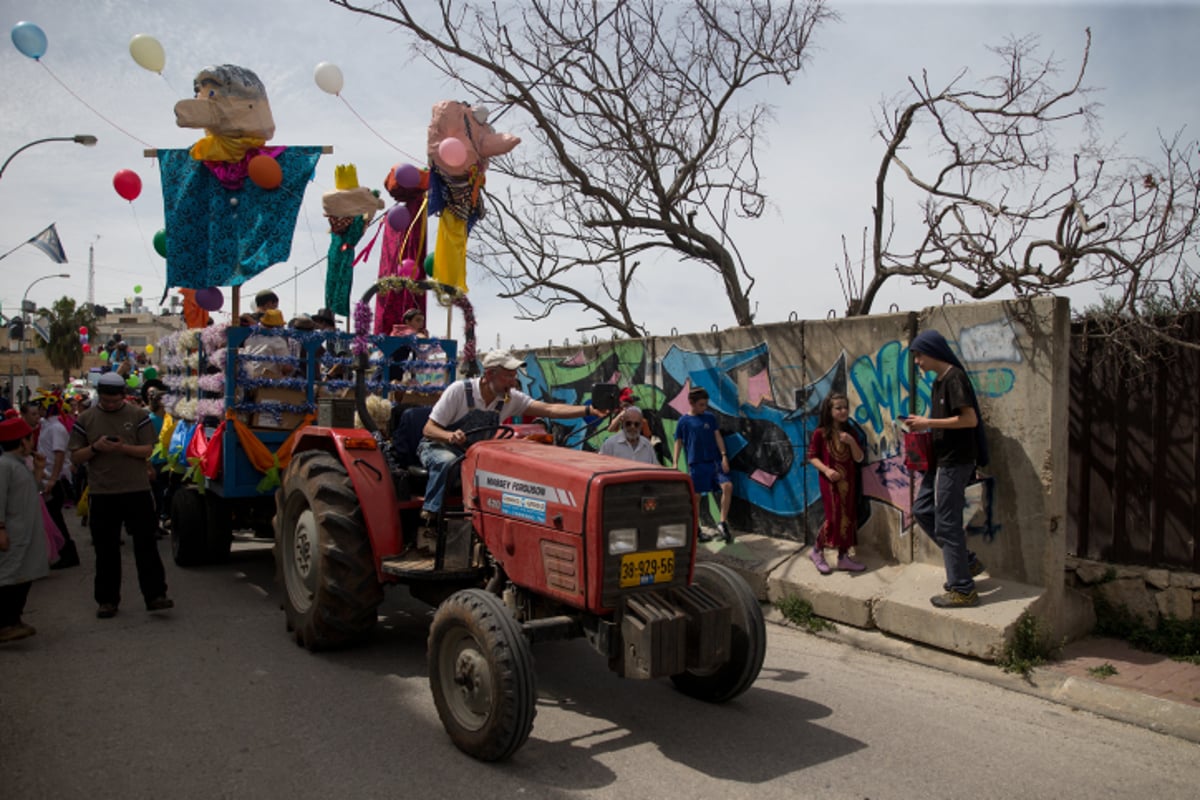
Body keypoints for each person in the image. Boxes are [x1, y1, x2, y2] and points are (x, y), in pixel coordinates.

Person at [417, 350, 594, 543]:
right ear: (489, 374)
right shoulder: (459, 391)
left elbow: (550, 409)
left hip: (472, 452)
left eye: (514, 375)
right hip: (438, 446)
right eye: (508, 375)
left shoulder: (509, 399)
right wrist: (450, 435)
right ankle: (430, 519)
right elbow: (428, 429)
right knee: (448, 461)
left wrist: (588, 410)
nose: (513, 381)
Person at [68, 371, 173, 619]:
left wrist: (121, 447)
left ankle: (156, 595)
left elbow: (147, 449)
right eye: (106, 401)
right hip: (102, 492)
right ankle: (107, 600)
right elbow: (75, 455)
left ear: (123, 396)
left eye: (115, 401)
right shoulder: (86, 418)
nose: (111, 405)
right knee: (106, 550)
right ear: (100, 397)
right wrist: (95, 447)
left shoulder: (138, 416)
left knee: (146, 545)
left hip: (136, 490)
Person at [904, 329, 989, 609]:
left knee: (947, 524)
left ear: (932, 351)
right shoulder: (939, 382)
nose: (918, 363)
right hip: (940, 461)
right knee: (922, 510)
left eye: (919, 356)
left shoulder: (954, 378)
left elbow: (969, 420)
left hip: (956, 462)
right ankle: (966, 563)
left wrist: (929, 423)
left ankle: (962, 588)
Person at [0, 416, 49, 643]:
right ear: (22, 442)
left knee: (22, 575)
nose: (32, 443)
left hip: (26, 531)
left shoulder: (18, 465)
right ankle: (5, 623)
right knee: (9, 577)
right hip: (13, 531)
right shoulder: (4, 465)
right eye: (30, 438)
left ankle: (14, 620)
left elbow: (32, 490)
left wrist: (38, 470)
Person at [806, 392, 866, 574]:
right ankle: (817, 551)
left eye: (845, 407)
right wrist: (826, 470)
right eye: (838, 408)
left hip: (849, 481)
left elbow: (859, 458)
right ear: (829, 410)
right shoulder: (820, 434)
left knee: (848, 516)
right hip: (830, 483)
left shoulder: (851, 432)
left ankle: (843, 557)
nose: (843, 411)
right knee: (833, 519)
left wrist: (851, 442)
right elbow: (812, 457)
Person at [672, 387, 734, 544]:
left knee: (727, 486)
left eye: (706, 404)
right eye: (701, 404)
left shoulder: (710, 418)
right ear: (691, 403)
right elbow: (678, 442)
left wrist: (724, 456)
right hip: (696, 464)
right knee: (696, 497)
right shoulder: (683, 421)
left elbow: (717, 436)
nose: (704, 408)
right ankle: (696, 529)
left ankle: (722, 523)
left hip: (714, 462)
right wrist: (674, 463)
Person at [35, 401, 81, 569]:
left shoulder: (56, 428)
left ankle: (68, 554)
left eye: (40, 407)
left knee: (56, 519)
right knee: (52, 519)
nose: (38, 410)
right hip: (47, 477)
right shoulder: (47, 425)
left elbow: (59, 454)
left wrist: (53, 478)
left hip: (55, 479)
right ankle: (60, 553)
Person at [242, 309, 294, 379]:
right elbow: (286, 367)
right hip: (268, 382)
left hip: (248, 379)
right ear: (278, 326)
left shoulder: (249, 339)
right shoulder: (278, 340)